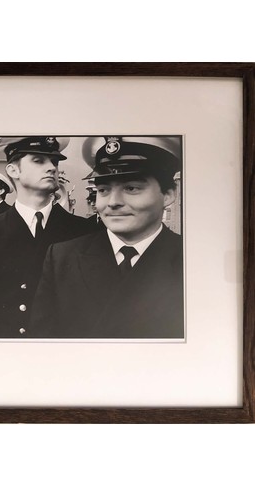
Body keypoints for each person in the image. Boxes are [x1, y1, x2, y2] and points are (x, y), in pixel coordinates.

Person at [30, 136, 184, 338]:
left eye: (131, 188)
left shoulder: (191, 261)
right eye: (103, 190)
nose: (113, 202)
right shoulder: (62, 257)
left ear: (169, 194)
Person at [0, 136, 94, 338]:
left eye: (55, 162)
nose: (52, 167)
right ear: (13, 170)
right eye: (38, 160)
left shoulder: (82, 230)